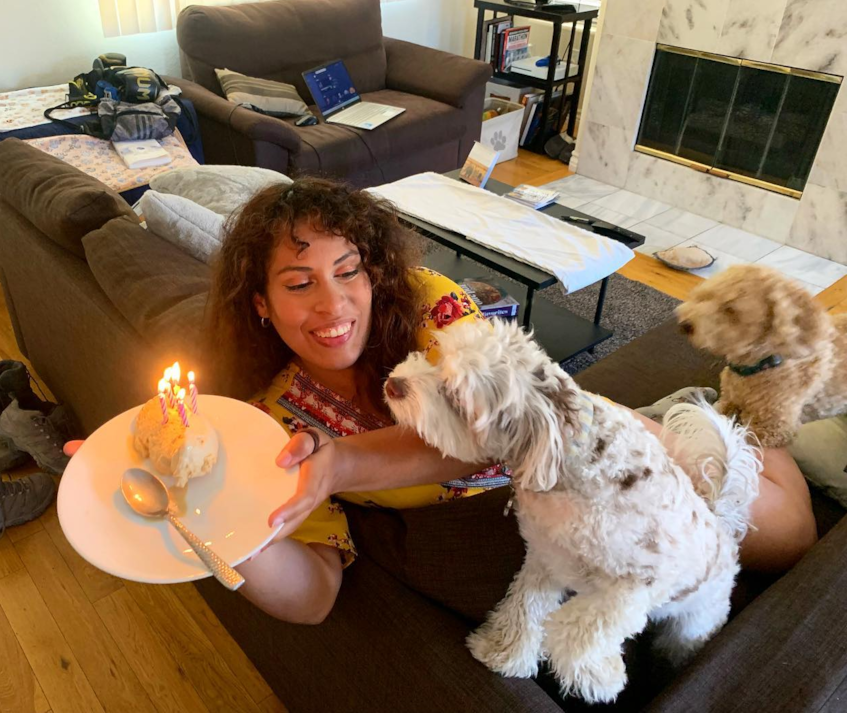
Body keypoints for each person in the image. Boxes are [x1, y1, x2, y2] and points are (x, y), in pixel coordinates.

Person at [67, 178, 817, 624]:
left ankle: (735, 408)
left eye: (349, 271)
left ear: (375, 270)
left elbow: (495, 425)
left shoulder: (429, 303)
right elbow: (316, 595)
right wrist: (224, 531)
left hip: (575, 451)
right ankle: (721, 410)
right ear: (260, 304)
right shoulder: (272, 419)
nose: (333, 304)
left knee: (787, 535)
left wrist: (338, 467)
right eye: (299, 284)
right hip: (508, 530)